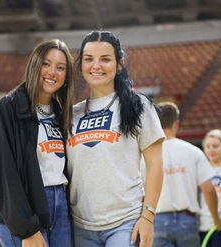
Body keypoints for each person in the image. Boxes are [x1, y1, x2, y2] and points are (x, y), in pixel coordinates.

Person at [66, 30, 165, 247]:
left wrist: (148, 216)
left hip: (125, 223)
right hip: (81, 227)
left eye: (105, 59)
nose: (96, 66)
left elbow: (155, 165)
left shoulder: (139, 106)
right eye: (89, 59)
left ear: (119, 64)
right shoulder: (71, 114)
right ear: (81, 65)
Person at [0, 39, 75, 247]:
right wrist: (27, 229)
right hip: (24, 211)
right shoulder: (7, 108)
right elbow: (6, 174)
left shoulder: (61, 113)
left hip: (60, 206)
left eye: (60, 67)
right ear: (34, 65)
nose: (52, 72)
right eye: (46, 64)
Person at [150, 101, 221, 247]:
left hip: (158, 220)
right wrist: (216, 219)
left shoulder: (146, 154)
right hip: (188, 221)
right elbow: (209, 190)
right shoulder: (193, 152)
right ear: (176, 124)